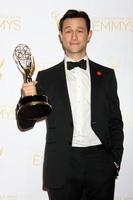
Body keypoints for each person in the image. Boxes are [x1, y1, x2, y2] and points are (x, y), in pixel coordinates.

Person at [16, 9, 124, 200]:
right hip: (61, 165)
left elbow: (115, 122)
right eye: (68, 31)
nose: (74, 36)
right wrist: (26, 98)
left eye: (80, 30)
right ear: (61, 36)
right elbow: (25, 125)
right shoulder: (45, 77)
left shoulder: (107, 75)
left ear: (89, 35)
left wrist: (114, 162)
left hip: (100, 164)